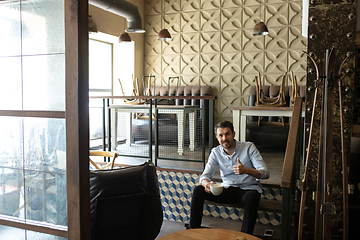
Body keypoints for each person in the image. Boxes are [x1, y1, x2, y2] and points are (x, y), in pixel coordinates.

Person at [189, 120, 269, 234]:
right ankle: (193, 231)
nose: (224, 138)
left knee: (252, 198)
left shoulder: (249, 147)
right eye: (220, 135)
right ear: (217, 137)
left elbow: (265, 173)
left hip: (248, 189)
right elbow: (205, 176)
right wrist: (206, 184)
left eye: (227, 134)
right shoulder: (215, 152)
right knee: (198, 190)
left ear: (234, 134)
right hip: (227, 189)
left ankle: (245, 236)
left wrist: (246, 170)